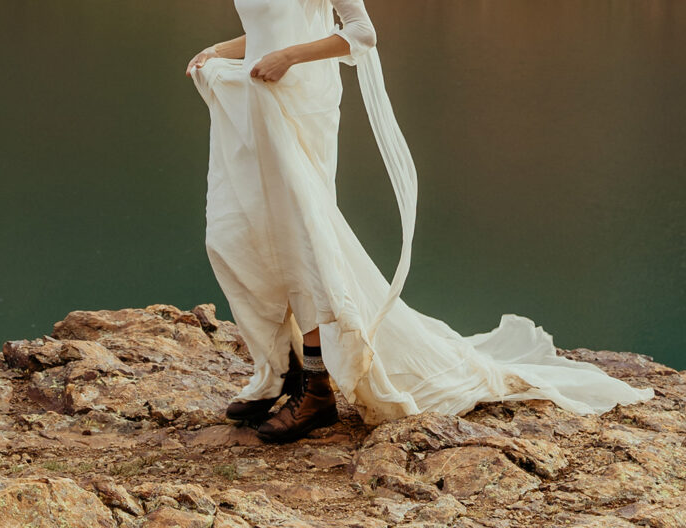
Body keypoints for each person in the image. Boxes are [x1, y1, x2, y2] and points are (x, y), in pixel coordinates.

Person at [185, 0, 655, 443]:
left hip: (299, 108)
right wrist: (217, 52)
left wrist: (288, 57)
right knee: (238, 234)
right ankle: (279, 369)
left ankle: (317, 389)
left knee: (301, 241)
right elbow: (270, 27)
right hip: (257, 105)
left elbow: (361, 36)